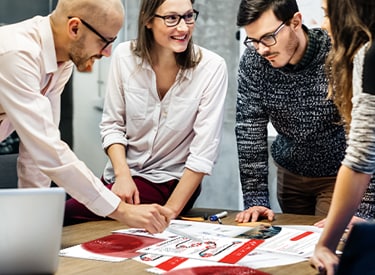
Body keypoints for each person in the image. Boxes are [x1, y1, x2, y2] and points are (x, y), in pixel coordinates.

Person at [0, 0, 173, 233]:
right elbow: (49, 150)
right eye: (105, 41)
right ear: (74, 28)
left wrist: (31, 226)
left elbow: (36, 154)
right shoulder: (17, 52)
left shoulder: (61, 63)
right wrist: (120, 210)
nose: (108, 52)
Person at [63, 0, 228, 225]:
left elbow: (203, 153)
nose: (183, 27)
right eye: (171, 18)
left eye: (189, 16)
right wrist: (122, 176)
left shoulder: (211, 68)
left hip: (169, 183)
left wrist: (169, 212)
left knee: (65, 213)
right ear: (148, 20)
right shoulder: (124, 56)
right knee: (76, 212)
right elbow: (112, 125)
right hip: (120, 178)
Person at [234, 0, 348, 223]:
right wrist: (256, 198)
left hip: (338, 176)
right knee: (292, 243)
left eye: (268, 37)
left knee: (325, 246)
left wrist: (365, 206)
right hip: (290, 175)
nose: (262, 49)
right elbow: (249, 127)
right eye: (253, 41)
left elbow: (364, 135)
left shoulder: (336, 55)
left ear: (295, 22)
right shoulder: (254, 61)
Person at [310, 0, 375, 274]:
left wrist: (325, 244)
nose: (325, 25)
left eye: (327, 14)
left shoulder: (370, 54)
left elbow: (360, 160)